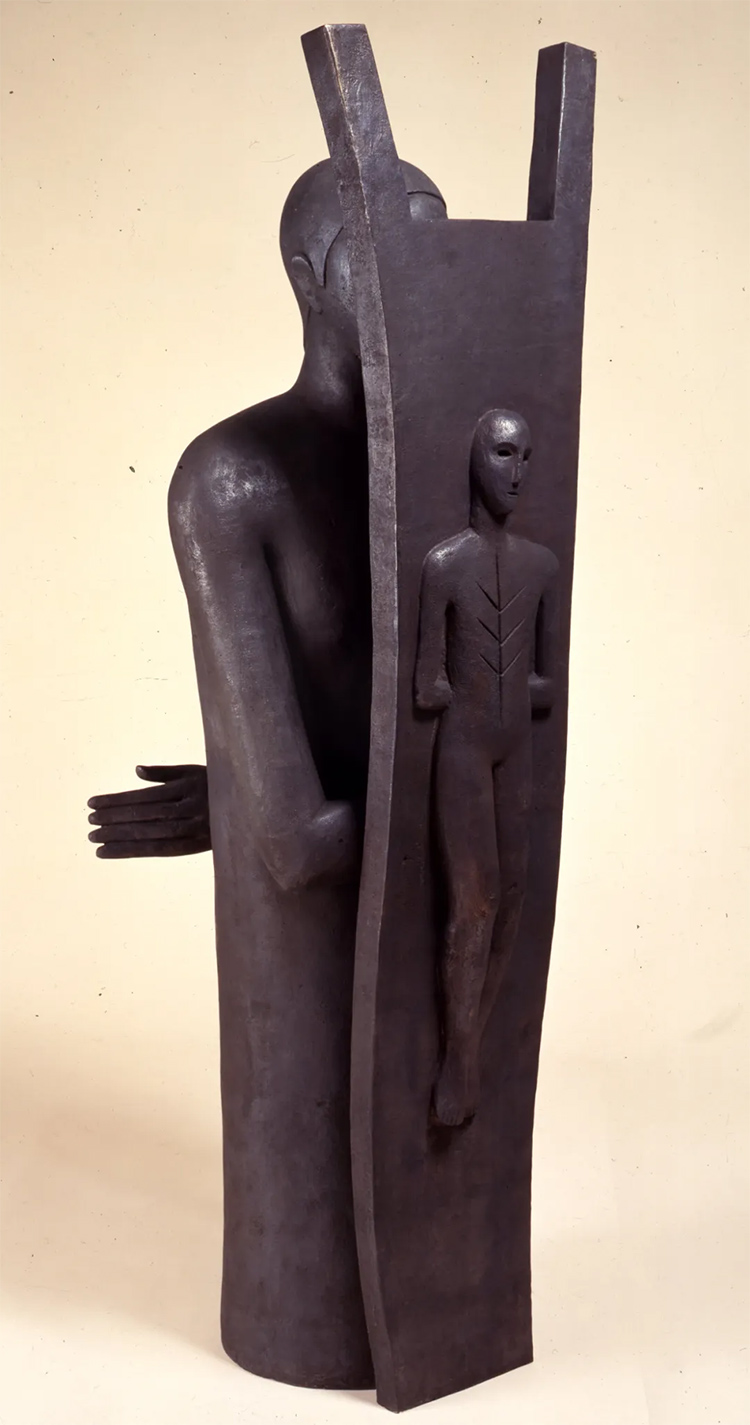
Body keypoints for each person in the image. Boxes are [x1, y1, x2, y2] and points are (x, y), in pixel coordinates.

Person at [87, 159, 447, 1388]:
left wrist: (246, 785)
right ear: (306, 276)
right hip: (317, 911)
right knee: (309, 1180)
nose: (411, 276)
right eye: (376, 249)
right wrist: (261, 796)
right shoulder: (235, 475)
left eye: (430, 244)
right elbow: (297, 842)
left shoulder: (443, 460)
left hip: (412, 870)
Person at [414, 410, 558, 1128]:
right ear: (475, 459)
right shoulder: (444, 565)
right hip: (467, 749)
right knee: (475, 900)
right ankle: (459, 1062)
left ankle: (470, 1044)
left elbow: (549, 678)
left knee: (515, 895)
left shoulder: (542, 567)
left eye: (526, 456)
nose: (517, 471)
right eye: (503, 453)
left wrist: (512, 688)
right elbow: (426, 685)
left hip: (515, 747)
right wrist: (491, 689)